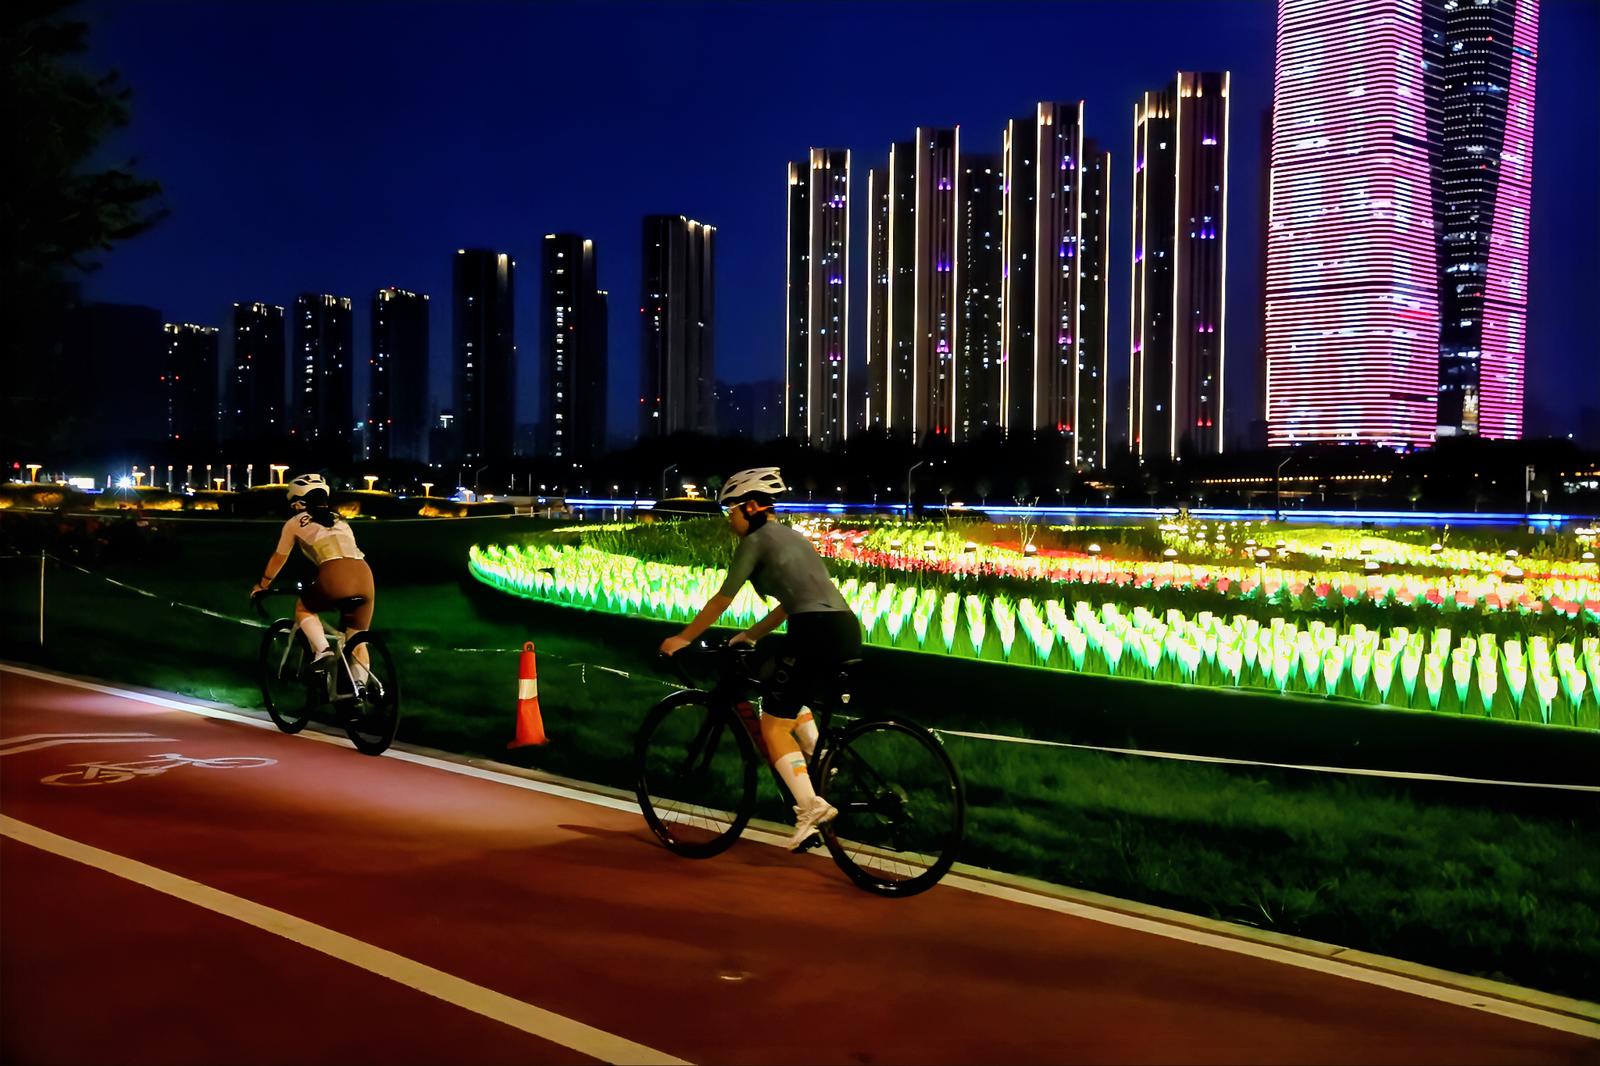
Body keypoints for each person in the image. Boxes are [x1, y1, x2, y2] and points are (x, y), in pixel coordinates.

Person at [658, 467, 862, 849]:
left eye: (730, 510)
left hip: (813, 630)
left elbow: (723, 598)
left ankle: (810, 808)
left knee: (773, 727)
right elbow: (788, 604)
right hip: (844, 627)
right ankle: (820, 759)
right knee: (779, 682)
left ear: (751, 507)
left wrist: (683, 638)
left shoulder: (755, 541)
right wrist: (751, 635)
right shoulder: (794, 538)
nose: (729, 519)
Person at [250, 474, 375, 682]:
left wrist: (262, 585)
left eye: (294, 504)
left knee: (303, 608)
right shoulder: (341, 520)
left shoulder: (294, 523)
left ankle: (323, 651)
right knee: (357, 640)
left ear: (300, 502)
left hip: (335, 573)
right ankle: (359, 690)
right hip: (364, 575)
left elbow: (279, 558)